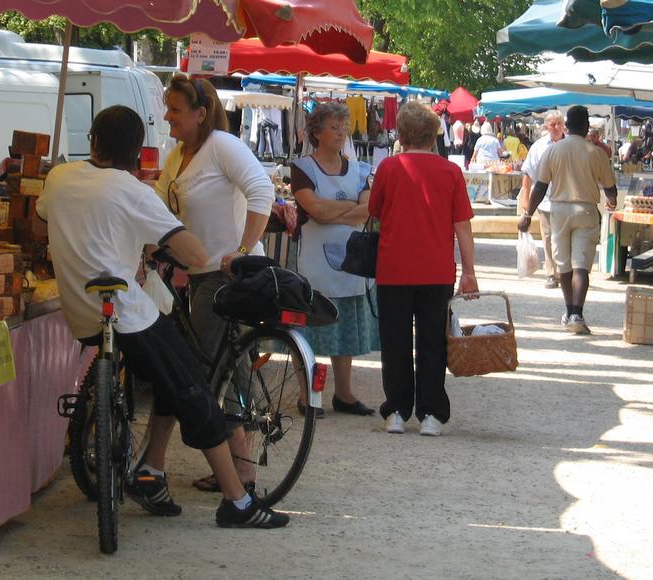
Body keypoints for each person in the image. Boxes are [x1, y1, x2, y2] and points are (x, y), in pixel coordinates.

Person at [35, 106, 287, 529]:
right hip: (125, 313)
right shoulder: (132, 190)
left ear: (93, 140)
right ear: (137, 151)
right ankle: (237, 500)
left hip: (78, 311)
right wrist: (162, 242)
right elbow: (194, 255)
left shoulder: (59, 179)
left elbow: (50, 213)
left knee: (174, 370)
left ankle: (151, 469)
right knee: (194, 386)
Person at [154, 74, 274, 492]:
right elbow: (156, 205)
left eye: (174, 109)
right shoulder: (178, 154)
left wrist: (243, 249)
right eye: (166, 107)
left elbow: (262, 192)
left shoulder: (221, 145)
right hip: (200, 274)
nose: (167, 116)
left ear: (200, 113)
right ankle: (240, 466)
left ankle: (235, 471)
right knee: (226, 372)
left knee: (199, 371)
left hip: (228, 278)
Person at [369, 102, 478, 437]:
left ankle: (397, 410)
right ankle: (431, 412)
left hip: (394, 267)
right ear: (434, 136)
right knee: (433, 341)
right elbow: (462, 226)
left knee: (395, 341)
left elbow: (375, 214)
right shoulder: (451, 173)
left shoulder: (388, 168)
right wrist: (469, 271)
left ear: (401, 135)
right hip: (436, 270)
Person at [290, 103, 377, 417]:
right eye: (334, 126)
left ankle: (344, 393)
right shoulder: (303, 168)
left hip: (351, 259)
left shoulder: (360, 168)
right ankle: (307, 395)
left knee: (343, 328)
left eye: (344, 126)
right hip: (314, 261)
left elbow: (367, 209)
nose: (341, 132)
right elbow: (315, 211)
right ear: (317, 132)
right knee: (310, 329)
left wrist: (331, 211)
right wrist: (349, 206)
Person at [518, 106, 617, 335]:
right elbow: (610, 188)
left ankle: (568, 310)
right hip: (586, 210)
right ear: (586, 127)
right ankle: (577, 314)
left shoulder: (552, 151)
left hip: (559, 210)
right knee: (581, 266)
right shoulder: (596, 153)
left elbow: (540, 187)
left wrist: (527, 214)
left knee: (563, 265)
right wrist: (611, 201)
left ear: (567, 126)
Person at [520, 111, 566, 290]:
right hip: (544, 200)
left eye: (559, 124)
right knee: (547, 238)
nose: (556, 128)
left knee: (561, 238)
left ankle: (563, 271)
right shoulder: (538, 147)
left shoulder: (570, 145)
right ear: (546, 126)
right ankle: (551, 273)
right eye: (552, 124)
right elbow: (528, 173)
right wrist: (526, 199)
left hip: (565, 200)